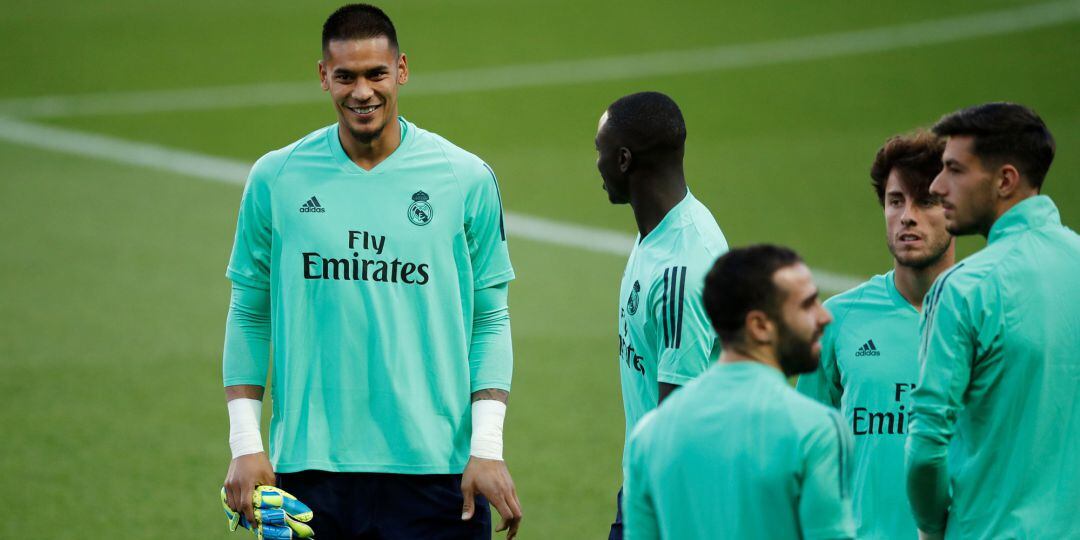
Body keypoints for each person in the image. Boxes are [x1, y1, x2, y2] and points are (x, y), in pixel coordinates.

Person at [219, 4, 523, 539]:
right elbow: (249, 310)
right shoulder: (276, 178)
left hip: (437, 473)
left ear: (401, 70)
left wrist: (488, 448)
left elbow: (490, 319)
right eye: (346, 76)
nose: (362, 92)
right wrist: (246, 445)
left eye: (376, 74)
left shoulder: (465, 178)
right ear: (323, 77)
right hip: (310, 476)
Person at [906, 102, 1080, 539]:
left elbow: (927, 447)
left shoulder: (964, 288)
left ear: (1005, 180)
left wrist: (932, 528)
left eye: (954, 170)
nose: (938, 186)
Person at [623, 245, 855, 540]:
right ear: (759, 326)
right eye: (808, 305)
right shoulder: (817, 430)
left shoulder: (649, 435)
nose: (824, 317)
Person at [797, 131, 952, 539]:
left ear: (955, 208)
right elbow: (804, 457)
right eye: (896, 200)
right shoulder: (838, 320)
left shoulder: (988, 317)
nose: (908, 216)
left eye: (927, 201)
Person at [593, 91, 728, 539]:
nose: (597, 164)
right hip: (644, 486)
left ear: (625, 160)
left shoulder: (683, 268)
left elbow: (681, 424)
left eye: (601, 152)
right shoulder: (659, 230)